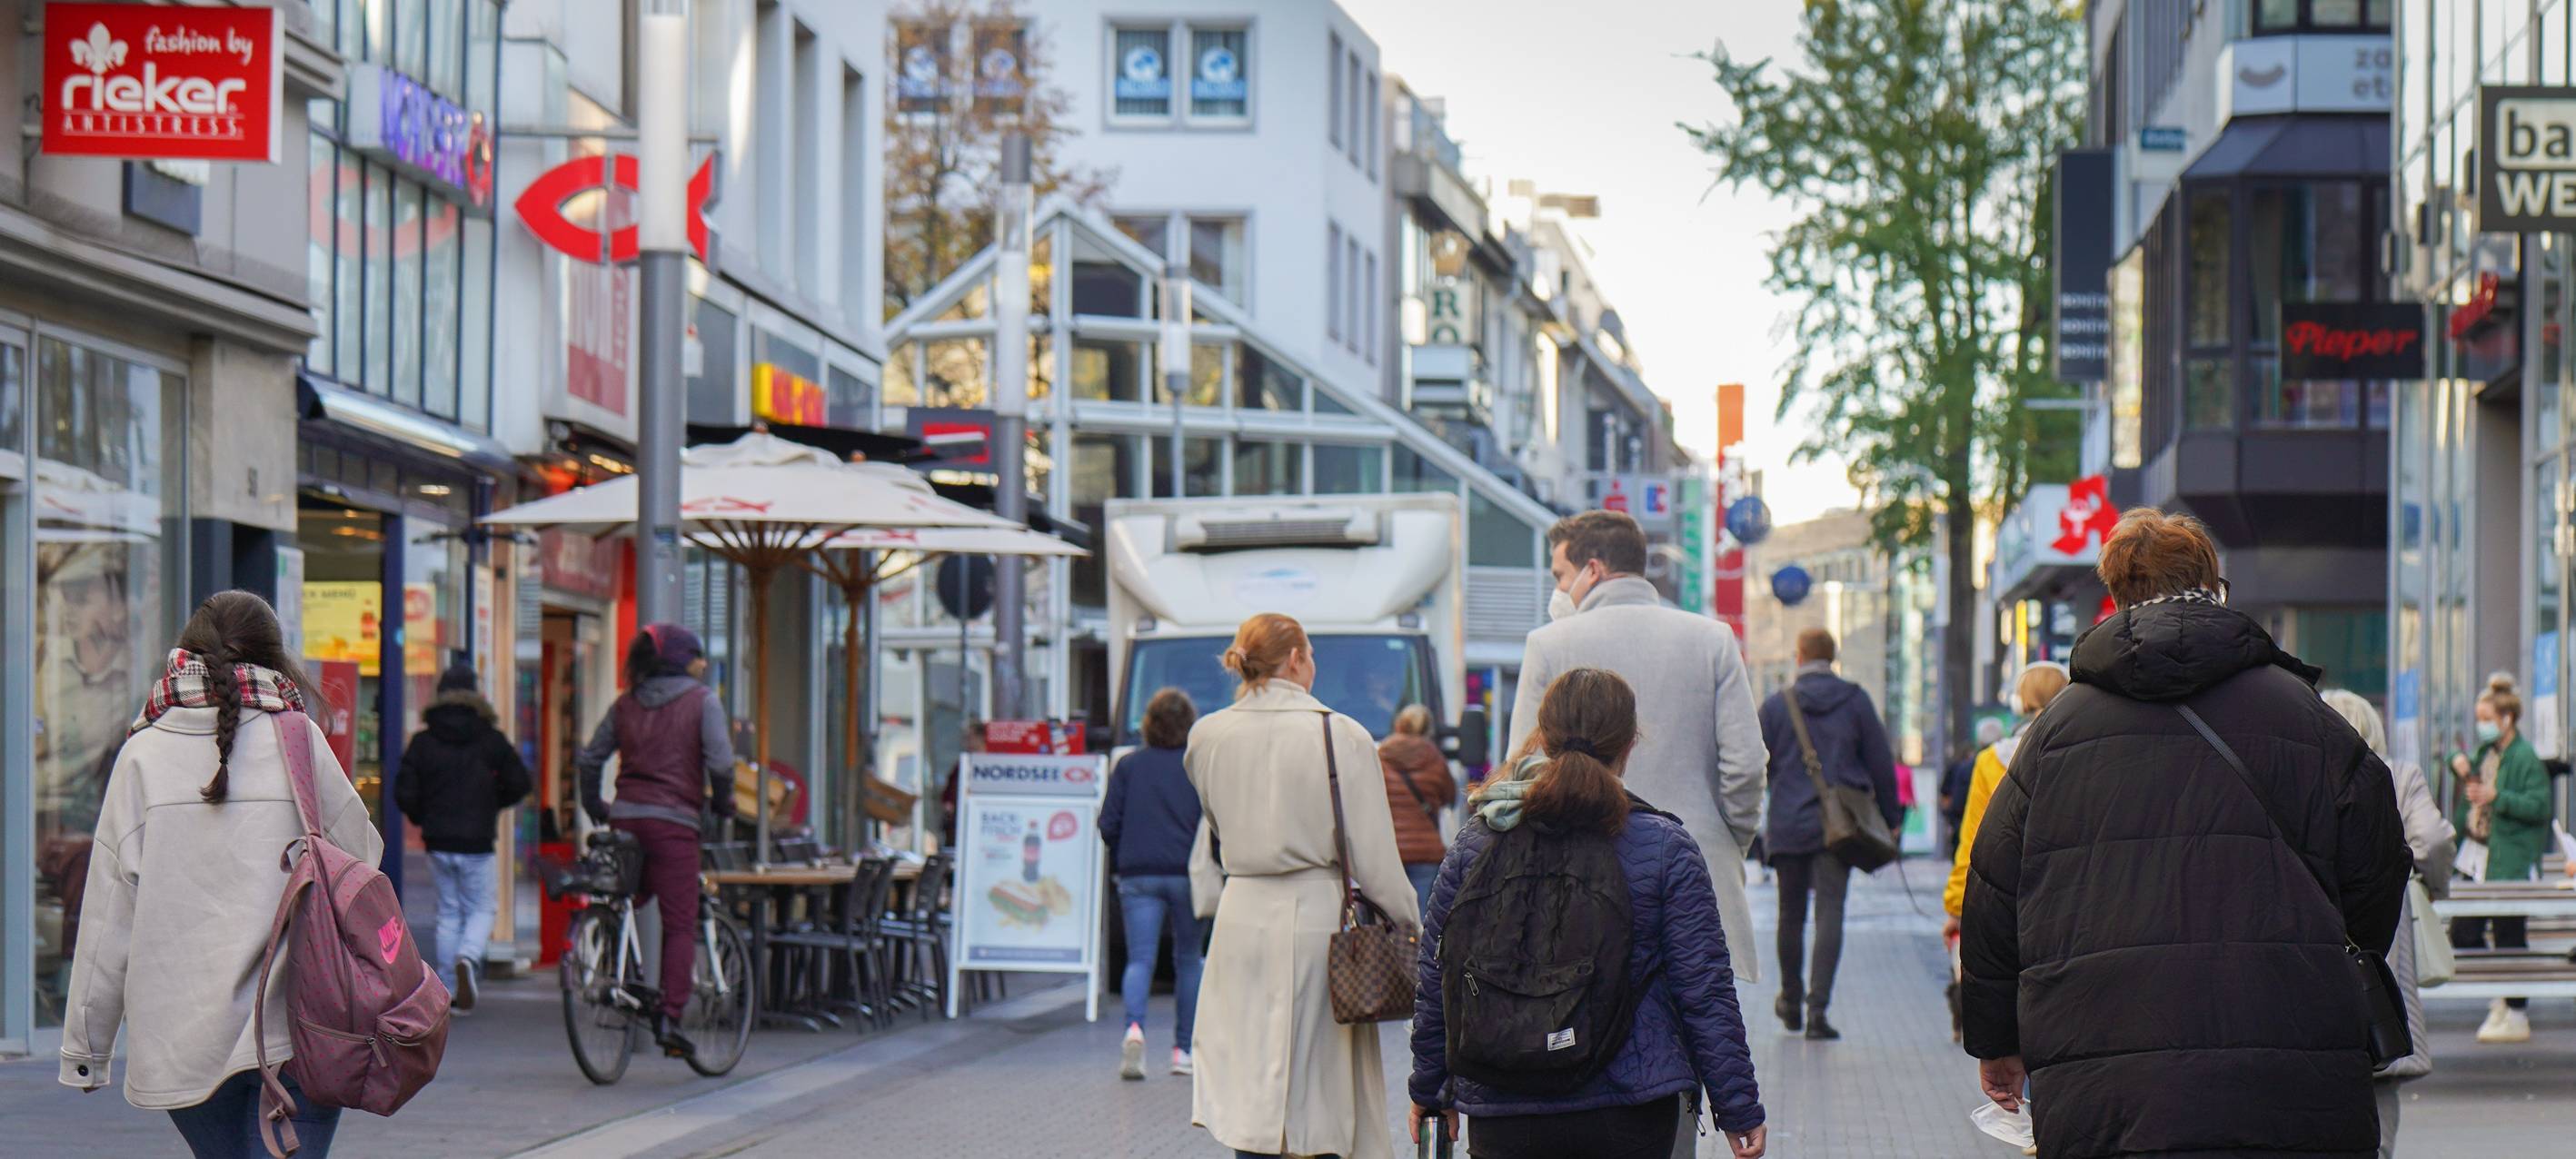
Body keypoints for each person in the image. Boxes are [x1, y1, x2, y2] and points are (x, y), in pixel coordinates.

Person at [1960, 508, 2409, 1157]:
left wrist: (1996, 1040)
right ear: (2214, 586)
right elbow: (2377, 866)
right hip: (2288, 1059)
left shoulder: (2056, 732)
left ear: (2112, 598)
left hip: (2102, 1065)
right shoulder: (2303, 716)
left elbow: (1993, 890)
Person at [60, 591, 378, 1157]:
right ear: (276, 662)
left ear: (183, 657)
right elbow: (362, 862)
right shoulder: (300, 741)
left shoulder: (142, 756)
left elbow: (108, 916)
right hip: (298, 1025)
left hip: (182, 1040)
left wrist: (88, 1049)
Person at [1410, 669, 1768, 1159]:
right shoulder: (1664, 846)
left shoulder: (1480, 838)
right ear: (1628, 744)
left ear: (1543, 736)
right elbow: (1703, 987)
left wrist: (1431, 1090)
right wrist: (1738, 1106)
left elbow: (1438, 975)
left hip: (1505, 1098)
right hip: (1631, 1104)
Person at [1186, 612, 1420, 1159]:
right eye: (1310, 653)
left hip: (1240, 915)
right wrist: (1411, 923)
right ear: (1295, 659)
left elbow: (1214, 828)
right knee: (1318, 1090)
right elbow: (1375, 858)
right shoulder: (1339, 733)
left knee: (1252, 1086)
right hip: (1319, 920)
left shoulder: (1207, 736)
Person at [1513, 511, 1767, 996]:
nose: (1559, 590)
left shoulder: (1548, 645)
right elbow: (1747, 763)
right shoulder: (1712, 640)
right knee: (1691, 1038)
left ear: (1594, 569)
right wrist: (1725, 837)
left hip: (1577, 876)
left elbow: (1525, 769)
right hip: (1697, 875)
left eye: (1561, 576)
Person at [574, 623, 736, 1063]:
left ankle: (613, 961)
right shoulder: (703, 701)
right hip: (674, 824)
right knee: (680, 920)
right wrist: (723, 806)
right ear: (685, 660)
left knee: (631, 893)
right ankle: (669, 1016)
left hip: (627, 817)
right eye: (699, 656)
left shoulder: (626, 703)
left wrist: (597, 806)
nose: (703, 665)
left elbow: (590, 758)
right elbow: (721, 763)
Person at [2321, 688, 2453, 1159]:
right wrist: (2417, 874)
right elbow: (2435, 840)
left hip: (2318, 942)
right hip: (2382, 941)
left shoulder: (2305, 778)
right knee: (2383, 1051)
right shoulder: (2399, 775)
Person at [1755, 628, 1902, 1041]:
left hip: (1787, 823)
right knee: (1830, 913)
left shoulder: (1775, 706)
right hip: (1840, 826)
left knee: (1790, 915)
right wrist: (1890, 818)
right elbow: (1880, 762)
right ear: (1832, 657)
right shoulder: (1855, 700)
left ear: (1798, 657)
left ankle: (1790, 1000)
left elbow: (1755, 764)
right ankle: (1818, 1012)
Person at [394, 663, 533, 1012]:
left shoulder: (424, 741)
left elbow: (404, 792)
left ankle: (447, 990)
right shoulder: (490, 738)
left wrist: (424, 817)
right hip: (477, 840)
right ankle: (469, 956)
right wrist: (492, 804)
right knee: (482, 907)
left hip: (439, 840)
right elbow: (520, 782)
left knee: (449, 912)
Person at [1099, 687, 1206, 1081]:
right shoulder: (1195, 766)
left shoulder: (1128, 766)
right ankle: (1182, 1050)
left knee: (1140, 958)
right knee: (1188, 960)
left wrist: (1125, 852)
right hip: (1187, 875)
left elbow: (1108, 823)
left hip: (1138, 873)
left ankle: (1134, 1029)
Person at [2446, 673, 2551, 1045]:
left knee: (2510, 933)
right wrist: (2457, 762)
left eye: (2487, 717)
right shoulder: (2488, 753)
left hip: (2508, 858)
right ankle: (2502, 993)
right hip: (2478, 856)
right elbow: (2461, 773)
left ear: (2506, 718)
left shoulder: (2523, 757)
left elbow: (2539, 806)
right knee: (2463, 930)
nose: (2482, 725)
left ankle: (2515, 1008)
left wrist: (2497, 797)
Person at [1941, 663, 2069, 932]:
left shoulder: (1991, 761)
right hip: (2065, 898)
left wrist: (1956, 907)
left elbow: (1972, 840)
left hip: (2003, 898)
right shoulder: (2079, 754)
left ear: (2018, 703)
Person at [1379, 703, 1459, 913]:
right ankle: (1417, 946)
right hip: (1425, 852)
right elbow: (1449, 797)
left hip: (1388, 849)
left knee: (1387, 915)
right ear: (1428, 730)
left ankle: (1392, 946)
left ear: (1398, 726)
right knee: (1421, 914)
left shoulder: (1379, 755)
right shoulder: (1435, 758)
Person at [1939, 718, 2003, 858]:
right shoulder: (2010, 765)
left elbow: (1957, 803)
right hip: (1999, 839)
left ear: (1979, 741)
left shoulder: (1967, 767)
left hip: (1968, 833)